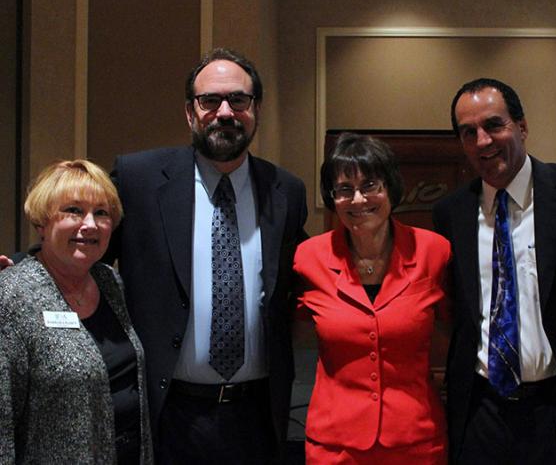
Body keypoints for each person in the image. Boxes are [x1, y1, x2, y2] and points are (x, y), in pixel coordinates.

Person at [104, 48, 308, 463]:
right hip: (168, 412)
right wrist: (27, 267)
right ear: (189, 112)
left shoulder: (286, 191)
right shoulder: (138, 179)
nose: (225, 112)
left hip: (256, 415)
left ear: (256, 109)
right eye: (210, 100)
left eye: (239, 99)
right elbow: (84, 244)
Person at [432, 78, 556, 464]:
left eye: (494, 125)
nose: (483, 142)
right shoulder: (451, 213)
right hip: (481, 409)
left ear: (521, 127)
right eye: (468, 132)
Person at [293, 133, 451, 464]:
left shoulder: (434, 251)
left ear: (391, 189)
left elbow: (459, 332)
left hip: (416, 441)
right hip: (335, 446)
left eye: (370, 185)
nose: (359, 200)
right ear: (332, 197)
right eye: (344, 190)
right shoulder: (308, 258)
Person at [0, 159, 153, 463]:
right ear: (42, 222)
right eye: (73, 210)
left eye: (101, 213)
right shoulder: (12, 295)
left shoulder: (109, 282)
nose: (90, 225)